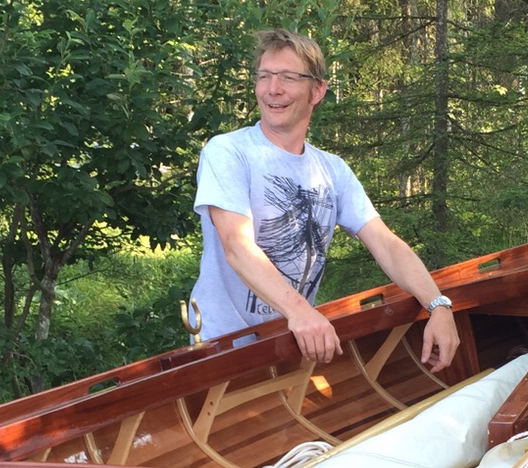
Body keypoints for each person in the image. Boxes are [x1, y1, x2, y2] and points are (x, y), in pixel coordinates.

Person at [188, 28, 459, 371]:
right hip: (222, 349)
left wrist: (438, 305)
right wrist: (302, 312)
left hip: (289, 342)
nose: (273, 89)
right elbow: (237, 248)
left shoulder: (333, 170)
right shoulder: (228, 152)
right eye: (264, 76)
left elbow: (385, 243)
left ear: (317, 90)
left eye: (288, 77)